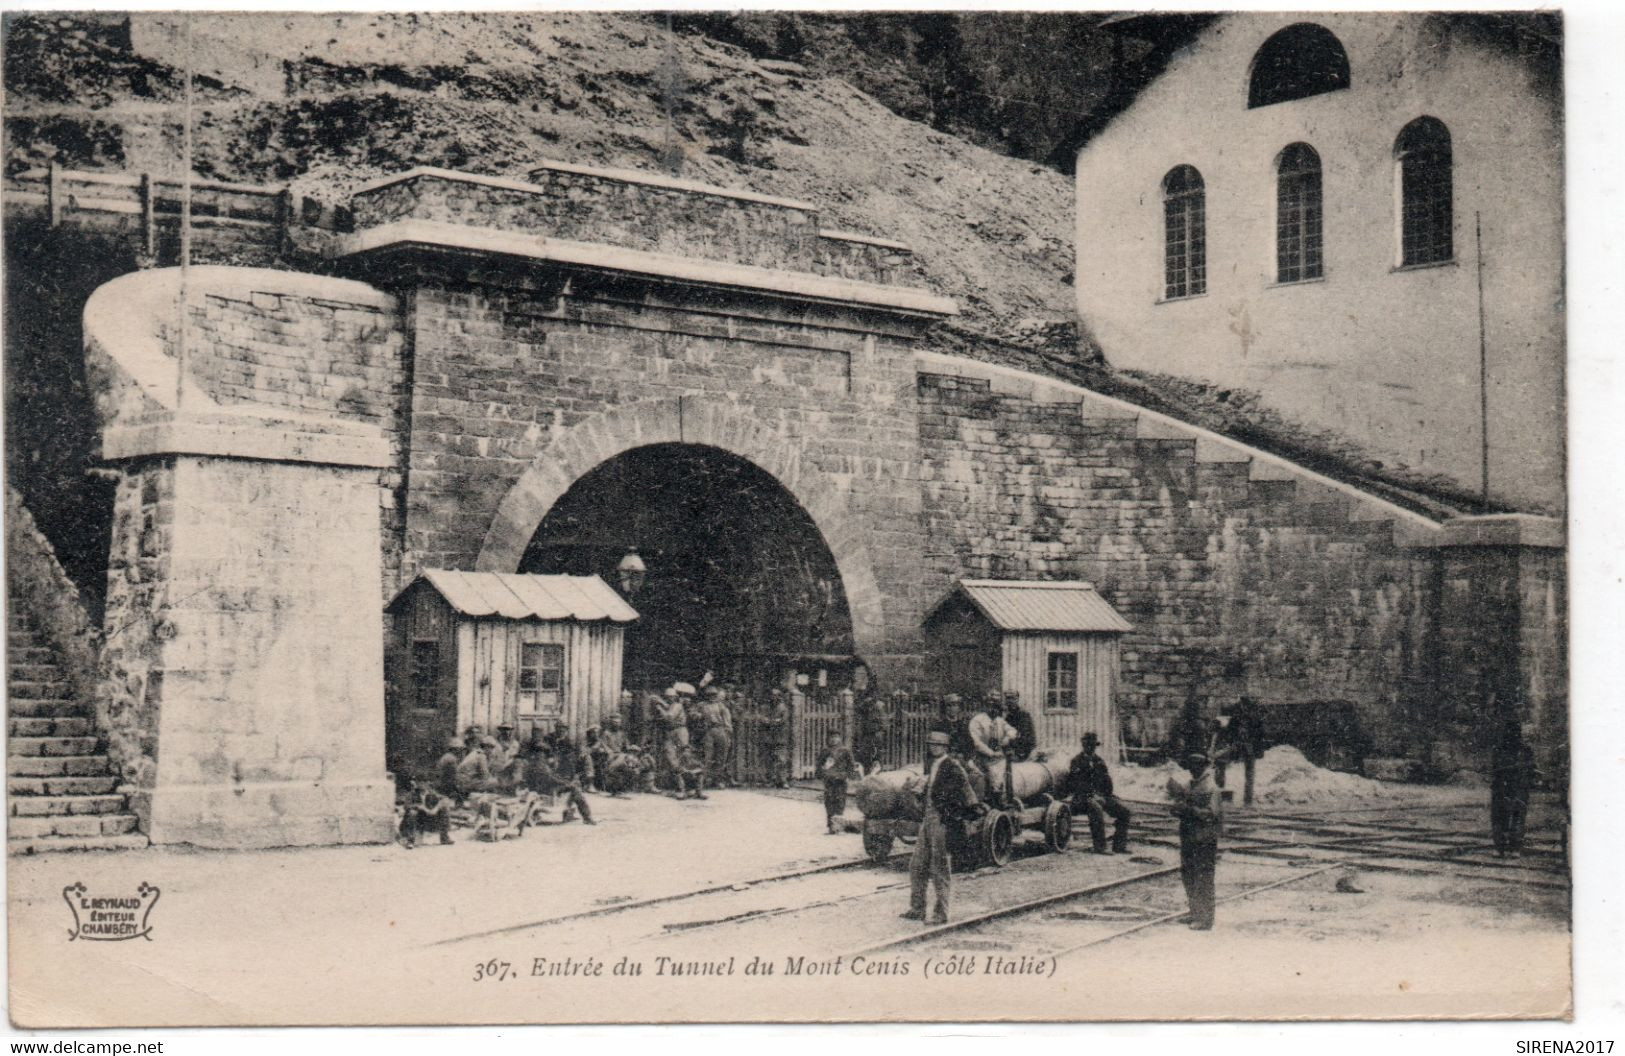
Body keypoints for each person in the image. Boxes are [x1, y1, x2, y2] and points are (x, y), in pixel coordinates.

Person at [902, 730, 981, 925]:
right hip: (928, 820)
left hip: (941, 821)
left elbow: (966, 794)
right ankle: (917, 908)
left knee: (940, 868)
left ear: (945, 748)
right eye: (931, 744)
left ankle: (941, 913)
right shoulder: (933, 764)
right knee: (917, 864)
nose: (933, 747)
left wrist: (952, 818)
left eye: (937, 745)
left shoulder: (952, 766)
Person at [1170, 750, 1223, 930]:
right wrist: (1176, 808)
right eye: (1190, 767)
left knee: (1204, 877)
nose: (1192, 770)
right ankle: (1194, 912)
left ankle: (1205, 919)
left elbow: (1211, 814)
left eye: (1195, 767)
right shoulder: (1188, 785)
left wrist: (1189, 810)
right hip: (1188, 836)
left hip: (1204, 838)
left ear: (1202, 767)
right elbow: (1178, 805)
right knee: (1189, 874)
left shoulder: (1211, 788)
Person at [1068, 732, 1132, 854]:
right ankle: (1100, 847)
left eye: (1092, 746)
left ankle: (1119, 846)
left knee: (1124, 812)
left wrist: (1107, 795)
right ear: (1083, 746)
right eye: (1088, 745)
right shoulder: (1076, 762)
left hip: (1100, 797)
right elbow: (1075, 784)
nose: (1090, 748)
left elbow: (1107, 782)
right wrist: (1092, 795)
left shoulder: (1099, 761)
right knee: (1095, 808)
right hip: (1081, 800)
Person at [518, 732, 595, 825]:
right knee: (574, 789)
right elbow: (551, 779)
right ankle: (587, 817)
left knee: (571, 785)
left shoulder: (530, 762)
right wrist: (566, 783)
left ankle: (569, 814)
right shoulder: (541, 765)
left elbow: (550, 776)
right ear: (542, 753)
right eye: (544, 753)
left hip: (535, 789)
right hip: (546, 790)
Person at [1490, 717, 1539, 858]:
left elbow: (1494, 769)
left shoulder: (1500, 749)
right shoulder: (1523, 749)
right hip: (1513, 787)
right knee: (1514, 817)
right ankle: (1512, 848)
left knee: (1503, 817)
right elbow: (1532, 770)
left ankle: (1503, 848)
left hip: (1507, 787)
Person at [966, 692, 1016, 806]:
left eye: (997, 707)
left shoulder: (999, 721)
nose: (994, 710)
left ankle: (1001, 798)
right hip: (980, 757)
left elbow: (1012, 731)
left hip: (996, 758)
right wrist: (991, 753)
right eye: (991, 706)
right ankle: (986, 800)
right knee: (986, 775)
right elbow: (976, 742)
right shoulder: (977, 721)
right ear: (986, 706)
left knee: (1004, 772)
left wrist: (1007, 738)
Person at [657, 688, 706, 799]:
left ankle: (688, 789)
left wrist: (660, 708)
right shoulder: (670, 706)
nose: (669, 699)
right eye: (667, 697)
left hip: (679, 732)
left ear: (675, 697)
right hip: (670, 732)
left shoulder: (677, 705)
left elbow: (669, 717)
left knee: (684, 758)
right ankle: (682, 788)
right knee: (672, 759)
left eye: (671, 697)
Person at [1217, 697, 1265, 806]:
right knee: (1249, 772)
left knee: (1221, 764)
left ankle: (1221, 795)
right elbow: (1260, 735)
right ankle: (1247, 801)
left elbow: (1229, 731)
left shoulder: (1237, 716)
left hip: (1239, 746)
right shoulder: (1255, 717)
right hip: (1245, 747)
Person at [815, 730, 862, 834]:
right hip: (829, 780)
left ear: (840, 738)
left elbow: (851, 765)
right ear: (828, 738)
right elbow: (819, 765)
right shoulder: (825, 751)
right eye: (831, 737)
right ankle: (831, 826)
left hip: (841, 780)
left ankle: (838, 825)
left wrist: (849, 776)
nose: (833, 739)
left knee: (840, 801)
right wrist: (821, 772)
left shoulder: (845, 751)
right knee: (829, 802)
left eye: (836, 737)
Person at [701, 688, 734, 790]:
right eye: (709, 695)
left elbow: (727, 721)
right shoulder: (703, 706)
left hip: (721, 730)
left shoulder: (721, 706)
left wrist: (728, 733)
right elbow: (696, 715)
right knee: (708, 756)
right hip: (709, 731)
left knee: (721, 757)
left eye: (713, 695)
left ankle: (718, 780)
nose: (712, 697)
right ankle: (706, 780)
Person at [454, 731, 501, 798]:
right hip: (466, 784)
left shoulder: (475, 752)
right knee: (495, 781)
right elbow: (485, 775)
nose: (492, 751)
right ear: (486, 747)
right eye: (491, 748)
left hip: (460, 783)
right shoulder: (481, 756)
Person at [763, 689, 791, 789]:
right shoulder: (767, 708)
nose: (773, 698)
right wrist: (770, 721)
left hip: (780, 738)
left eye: (775, 696)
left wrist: (771, 722)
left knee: (781, 760)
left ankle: (783, 780)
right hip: (770, 737)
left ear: (779, 697)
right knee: (769, 760)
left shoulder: (783, 708)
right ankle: (771, 780)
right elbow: (763, 719)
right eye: (771, 695)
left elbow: (782, 721)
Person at [1004, 691, 1036, 763]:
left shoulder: (1023, 714)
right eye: (1008, 699)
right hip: (1013, 750)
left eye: (1012, 698)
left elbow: (1025, 736)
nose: (1010, 701)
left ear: (1017, 700)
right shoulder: (1008, 717)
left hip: (1023, 751)